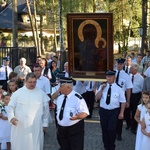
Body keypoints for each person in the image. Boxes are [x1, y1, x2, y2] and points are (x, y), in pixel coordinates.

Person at [7, 73, 50, 150]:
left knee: (35, 144)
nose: (32, 84)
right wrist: (12, 118)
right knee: (20, 145)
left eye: (34, 82)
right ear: (26, 81)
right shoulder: (18, 93)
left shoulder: (41, 93)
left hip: (36, 125)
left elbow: (46, 110)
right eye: (30, 82)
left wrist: (44, 124)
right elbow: (10, 107)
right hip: (20, 125)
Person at [95, 70, 126, 150]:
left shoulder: (119, 88)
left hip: (114, 112)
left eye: (110, 76)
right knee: (104, 130)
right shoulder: (102, 86)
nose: (109, 78)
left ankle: (112, 146)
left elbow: (123, 102)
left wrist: (121, 113)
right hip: (103, 111)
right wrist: (101, 89)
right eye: (107, 76)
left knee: (112, 130)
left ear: (114, 77)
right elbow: (96, 98)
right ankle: (106, 146)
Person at [55, 80, 89, 150]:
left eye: (61, 86)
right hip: (61, 130)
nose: (59, 88)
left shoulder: (77, 98)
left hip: (74, 129)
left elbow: (85, 113)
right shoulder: (60, 98)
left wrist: (78, 117)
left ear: (69, 87)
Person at [115, 58, 133, 141]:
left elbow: (128, 89)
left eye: (121, 64)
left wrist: (128, 100)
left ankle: (119, 134)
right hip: (113, 99)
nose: (119, 65)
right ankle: (113, 133)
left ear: (123, 65)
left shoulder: (126, 76)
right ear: (116, 64)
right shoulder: (112, 73)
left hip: (121, 99)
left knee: (120, 117)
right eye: (118, 64)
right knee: (113, 117)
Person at [129, 63, 144, 134]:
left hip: (136, 95)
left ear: (135, 69)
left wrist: (141, 99)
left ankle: (133, 127)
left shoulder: (140, 78)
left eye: (131, 68)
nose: (130, 69)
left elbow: (142, 90)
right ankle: (128, 124)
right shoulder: (128, 76)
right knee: (127, 110)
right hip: (128, 94)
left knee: (135, 111)